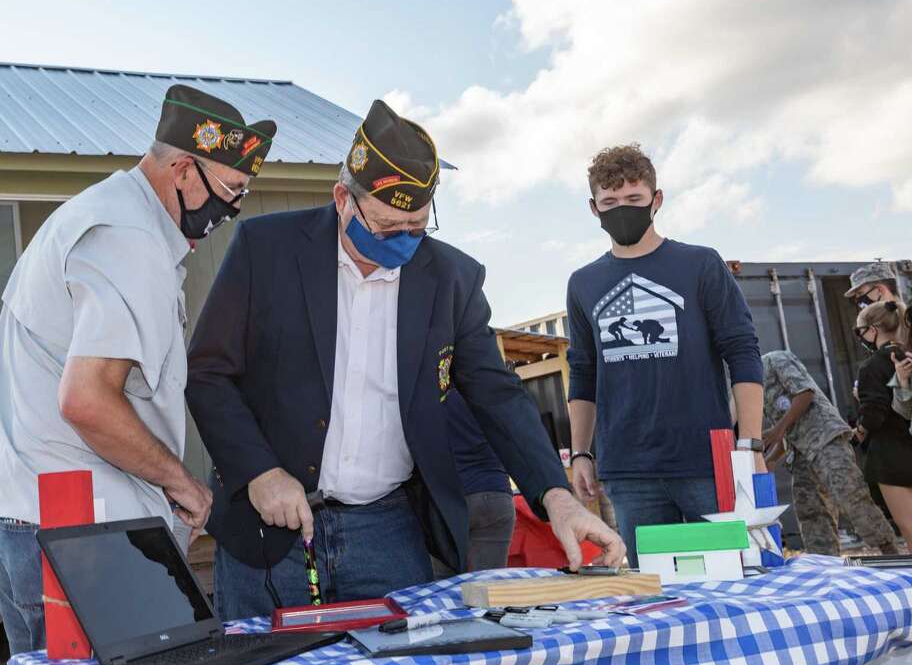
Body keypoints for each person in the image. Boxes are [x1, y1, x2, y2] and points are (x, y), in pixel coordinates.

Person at [187, 99, 623, 621]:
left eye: (416, 228)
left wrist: (556, 496)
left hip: (387, 530)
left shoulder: (451, 280)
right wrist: (258, 472)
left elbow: (495, 393)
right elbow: (208, 372)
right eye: (387, 227)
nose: (403, 243)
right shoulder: (268, 249)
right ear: (342, 198)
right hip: (268, 529)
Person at [0, 86, 275, 665]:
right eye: (227, 188)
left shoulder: (99, 216)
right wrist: (184, 485)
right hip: (84, 529)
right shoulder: (130, 238)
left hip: (31, 509)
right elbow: (88, 399)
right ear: (181, 170)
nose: (233, 207)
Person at [565, 144, 766, 567]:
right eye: (610, 202)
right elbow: (583, 372)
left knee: (731, 578)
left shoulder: (700, 264)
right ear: (593, 208)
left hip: (707, 463)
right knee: (653, 592)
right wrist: (581, 452)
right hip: (628, 468)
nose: (622, 209)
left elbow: (743, 352)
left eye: (634, 199)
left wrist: (751, 444)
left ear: (656, 200)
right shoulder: (584, 283)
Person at [760, 351, 899, 555]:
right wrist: (771, 459)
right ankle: (826, 563)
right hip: (800, 451)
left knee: (850, 495)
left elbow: (806, 394)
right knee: (810, 511)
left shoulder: (775, 360)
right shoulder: (755, 387)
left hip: (825, 438)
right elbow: (784, 431)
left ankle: (889, 551)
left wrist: (778, 430)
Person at [854, 301, 912, 549]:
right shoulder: (906, 357)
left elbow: (874, 415)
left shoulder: (871, 367)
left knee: (908, 524)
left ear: (873, 329)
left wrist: (857, 434)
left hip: (889, 454)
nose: (861, 337)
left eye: (860, 331)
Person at [444, 390, 517, 572]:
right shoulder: (489, 387)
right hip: (496, 493)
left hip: (450, 498)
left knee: (441, 590)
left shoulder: (434, 393)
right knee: (490, 589)